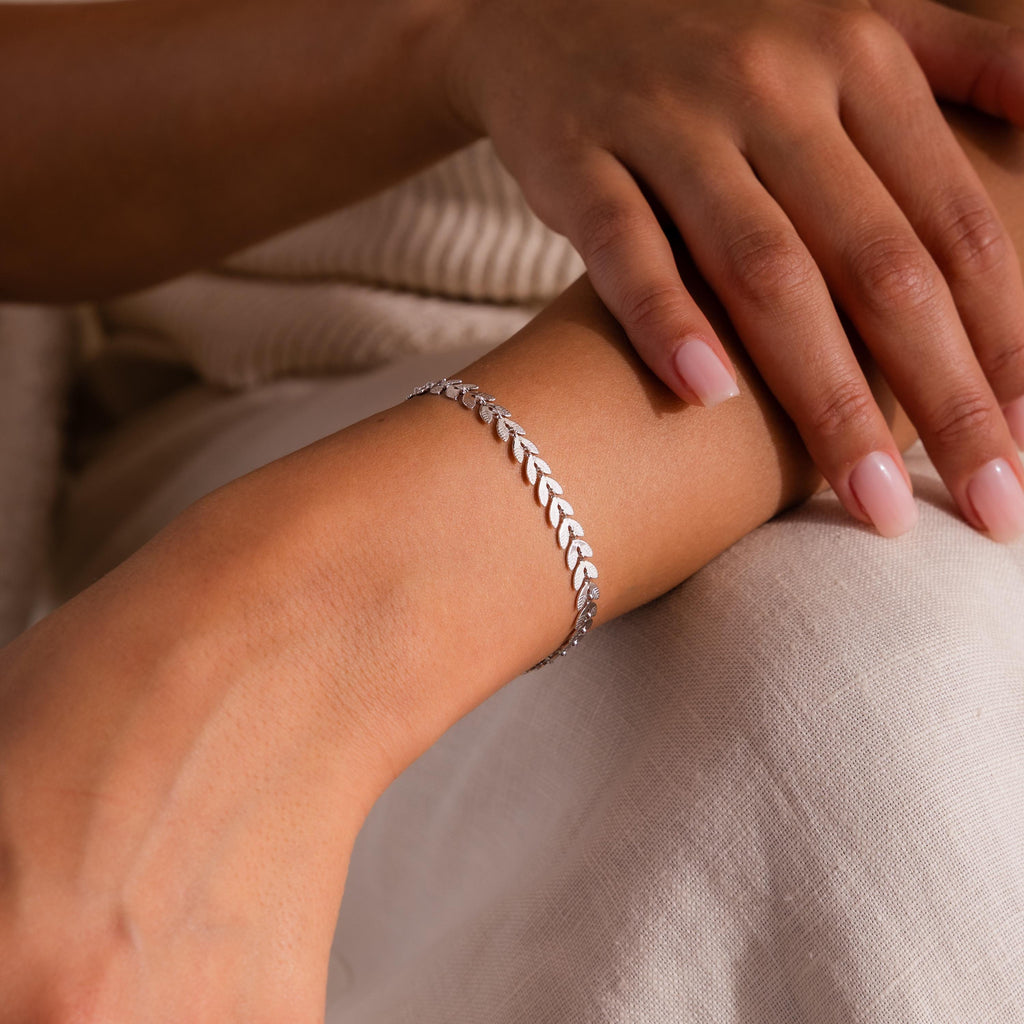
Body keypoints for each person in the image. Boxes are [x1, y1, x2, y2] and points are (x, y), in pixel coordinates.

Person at [0, 0, 1022, 1019]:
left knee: (880, 725)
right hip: (230, 401)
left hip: (836, 409)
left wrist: (285, 632)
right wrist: (456, 36)